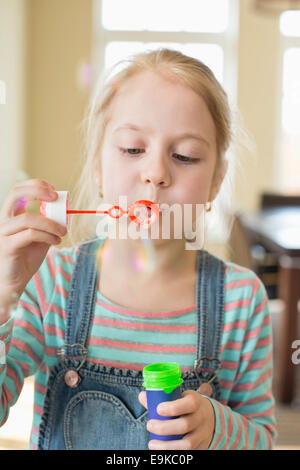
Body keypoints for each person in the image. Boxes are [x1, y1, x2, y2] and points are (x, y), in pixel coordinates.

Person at [0, 49, 276, 450]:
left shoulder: (241, 299)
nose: (156, 174)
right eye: (132, 149)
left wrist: (218, 427)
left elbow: (263, 440)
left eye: (185, 156)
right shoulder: (50, 283)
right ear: (97, 167)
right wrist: (3, 296)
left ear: (216, 181)